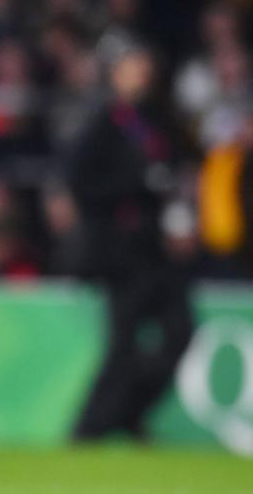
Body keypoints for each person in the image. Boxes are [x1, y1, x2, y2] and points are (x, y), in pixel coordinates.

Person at [68, 44, 194, 440]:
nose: (141, 73)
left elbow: (179, 168)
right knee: (123, 345)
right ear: (116, 73)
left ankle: (126, 413)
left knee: (180, 331)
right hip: (120, 254)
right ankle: (88, 430)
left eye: (144, 66)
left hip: (158, 251)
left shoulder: (159, 119)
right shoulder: (102, 123)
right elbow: (81, 181)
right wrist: (136, 186)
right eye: (133, 66)